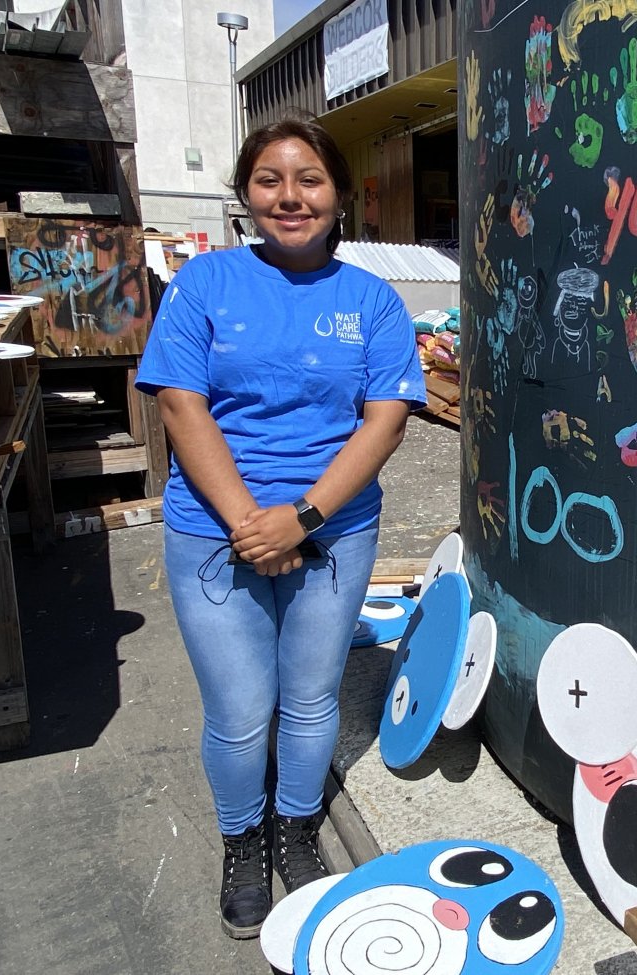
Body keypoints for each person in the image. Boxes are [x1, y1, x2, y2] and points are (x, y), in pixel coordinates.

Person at [135, 118, 425, 939]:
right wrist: (249, 524)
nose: (290, 197)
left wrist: (299, 518)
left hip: (332, 531)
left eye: (309, 180)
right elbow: (179, 404)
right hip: (214, 532)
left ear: (339, 196)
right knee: (238, 708)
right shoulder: (203, 284)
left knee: (306, 699)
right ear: (245, 193)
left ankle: (296, 828)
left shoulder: (373, 300)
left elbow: (386, 421)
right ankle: (243, 839)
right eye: (270, 179)